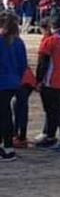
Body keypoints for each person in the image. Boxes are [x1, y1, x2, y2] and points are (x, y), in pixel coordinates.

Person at [36, 11, 60, 151]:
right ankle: (51, 136)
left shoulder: (50, 41)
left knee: (54, 110)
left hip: (50, 80)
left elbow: (43, 63)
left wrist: (38, 80)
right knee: (56, 109)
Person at [0, 13, 28, 161]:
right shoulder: (18, 42)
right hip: (14, 81)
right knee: (5, 113)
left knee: (4, 114)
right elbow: (23, 65)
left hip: (2, 82)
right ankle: (8, 146)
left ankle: (7, 148)